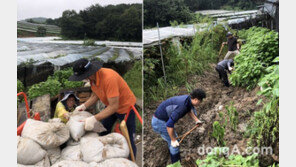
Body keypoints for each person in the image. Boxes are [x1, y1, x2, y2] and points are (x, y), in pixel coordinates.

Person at [68, 58, 137, 158]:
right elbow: (95, 95)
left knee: (129, 138)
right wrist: (83, 106)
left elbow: (114, 106)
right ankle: (104, 154)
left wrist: (94, 118)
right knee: (103, 131)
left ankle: (131, 161)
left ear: (89, 73)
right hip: (110, 106)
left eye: (83, 77)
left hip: (126, 108)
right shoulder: (93, 80)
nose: (83, 79)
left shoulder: (109, 78)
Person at [151, 89, 206, 165]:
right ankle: (176, 164)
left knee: (174, 140)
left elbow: (189, 110)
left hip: (162, 119)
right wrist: (173, 140)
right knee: (174, 145)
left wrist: (196, 120)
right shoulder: (181, 107)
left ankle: (175, 160)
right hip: (159, 122)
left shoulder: (188, 99)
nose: (200, 103)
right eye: (200, 101)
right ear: (196, 99)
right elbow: (169, 124)